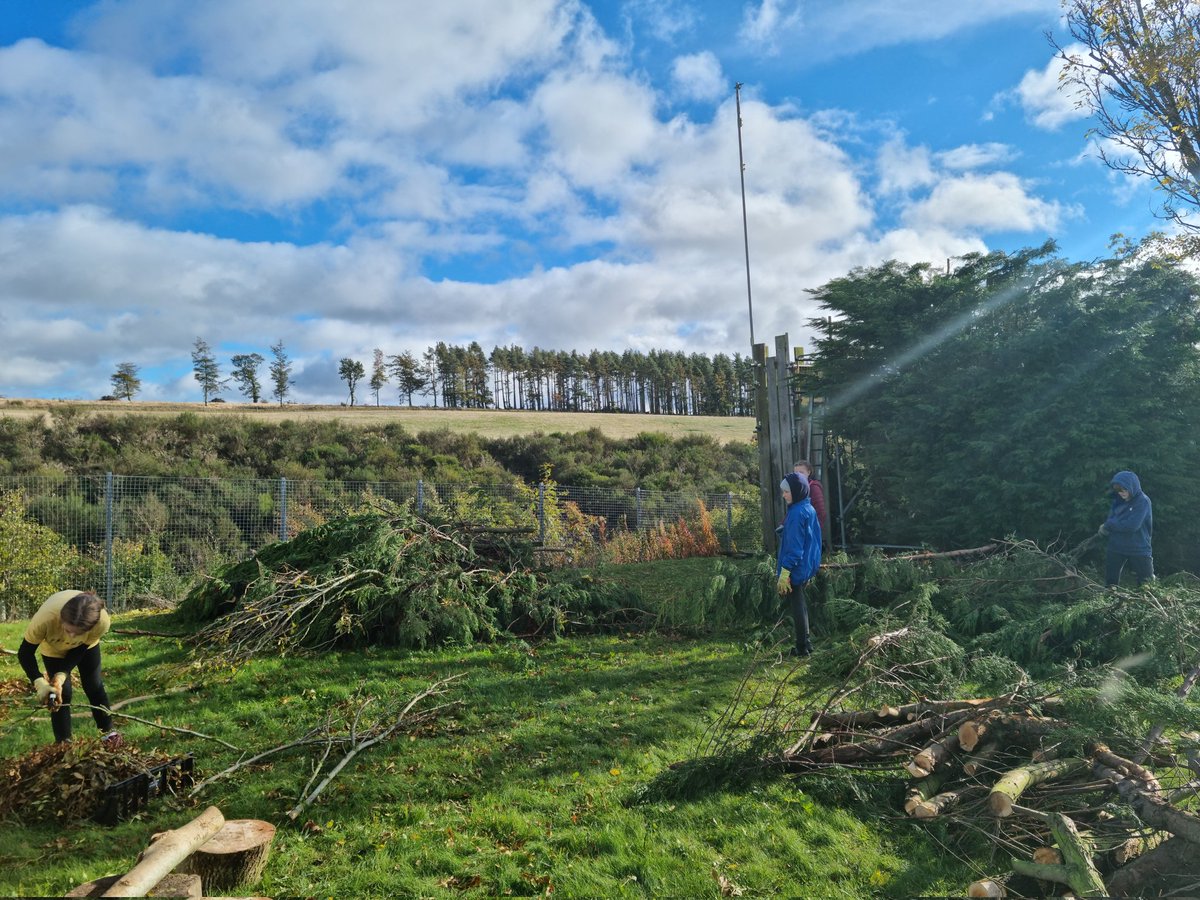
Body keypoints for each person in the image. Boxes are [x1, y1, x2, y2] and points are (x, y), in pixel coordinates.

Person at [17, 590, 122, 746]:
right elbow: (25, 653)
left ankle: (108, 733)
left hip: (86, 648)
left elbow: (80, 649)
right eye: (68, 630)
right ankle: (63, 743)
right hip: (53, 649)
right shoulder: (45, 619)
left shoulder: (102, 621)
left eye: (77, 633)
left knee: (93, 685)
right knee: (61, 694)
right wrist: (39, 682)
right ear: (61, 619)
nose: (71, 637)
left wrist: (62, 674)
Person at [776, 472, 823, 656]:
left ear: (797, 490)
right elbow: (809, 539)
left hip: (796, 567)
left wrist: (785, 572)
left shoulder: (796, 513)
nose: (784, 495)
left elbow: (795, 550)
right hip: (806, 565)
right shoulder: (807, 507)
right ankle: (807, 643)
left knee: (797, 607)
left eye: (786, 491)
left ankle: (802, 647)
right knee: (801, 604)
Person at [1098, 470, 1153, 587]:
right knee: (1110, 584)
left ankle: (1147, 603)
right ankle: (1111, 601)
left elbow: (1132, 526)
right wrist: (1109, 524)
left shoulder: (1143, 501)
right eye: (1118, 490)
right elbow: (1111, 517)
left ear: (1132, 487)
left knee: (1147, 584)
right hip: (1116, 546)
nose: (1121, 493)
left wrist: (1108, 525)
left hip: (1139, 547)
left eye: (1124, 490)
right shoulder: (1117, 500)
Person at [793, 460, 828, 546]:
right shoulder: (797, 489)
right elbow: (793, 510)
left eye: (801, 472)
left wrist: (813, 531)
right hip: (798, 530)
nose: (798, 475)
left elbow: (821, 512)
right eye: (796, 473)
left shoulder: (814, 488)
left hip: (809, 532)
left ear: (809, 472)